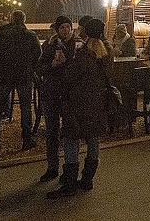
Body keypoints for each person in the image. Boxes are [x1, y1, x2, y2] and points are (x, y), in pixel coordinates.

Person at [46, 18, 113, 198]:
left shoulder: (83, 55)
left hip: (77, 104)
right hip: (97, 104)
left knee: (70, 140)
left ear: (84, 32)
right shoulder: (107, 53)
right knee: (93, 140)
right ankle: (87, 179)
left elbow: (69, 78)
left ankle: (69, 183)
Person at [0, 10, 41, 153]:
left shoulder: (2, 35)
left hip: (4, 76)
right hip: (24, 76)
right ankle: (27, 139)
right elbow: (38, 54)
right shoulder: (30, 35)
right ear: (24, 20)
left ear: (11, 19)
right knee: (25, 108)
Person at [37, 16, 81, 182]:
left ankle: (69, 168)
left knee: (70, 130)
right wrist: (52, 66)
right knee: (52, 131)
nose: (65, 30)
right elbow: (40, 67)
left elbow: (78, 68)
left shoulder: (76, 45)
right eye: (62, 27)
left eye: (67, 27)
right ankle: (52, 167)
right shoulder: (49, 45)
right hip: (51, 92)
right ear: (57, 29)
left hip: (68, 93)